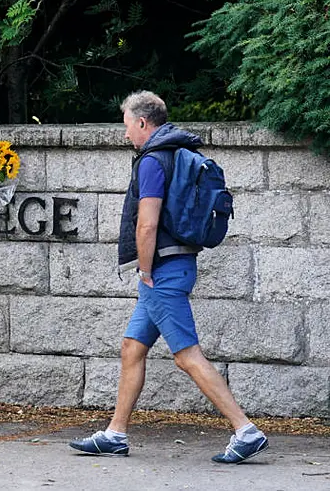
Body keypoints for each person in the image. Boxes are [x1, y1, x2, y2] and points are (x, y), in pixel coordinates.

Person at [68, 91, 269, 464]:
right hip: (176, 265)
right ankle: (115, 433)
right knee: (133, 347)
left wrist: (145, 270)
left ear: (142, 123)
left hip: (161, 271)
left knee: (186, 354)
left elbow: (148, 223)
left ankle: (246, 431)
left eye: (127, 124)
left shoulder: (152, 161)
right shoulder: (177, 153)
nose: (125, 132)